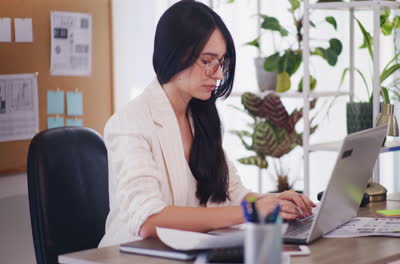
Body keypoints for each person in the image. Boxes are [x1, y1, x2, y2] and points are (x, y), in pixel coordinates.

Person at [99, 0, 315, 247]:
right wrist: (251, 212)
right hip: (131, 255)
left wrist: (274, 201)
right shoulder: (130, 123)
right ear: (175, 54)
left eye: (221, 61)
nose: (219, 74)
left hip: (188, 251)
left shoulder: (200, 116)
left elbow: (234, 195)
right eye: (207, 61)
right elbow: (149, 219)